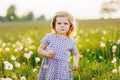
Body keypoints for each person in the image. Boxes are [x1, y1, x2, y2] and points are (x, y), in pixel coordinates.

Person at [38, 11, 80, 80]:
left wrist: (75, 63)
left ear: (70, 26)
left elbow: (76, 54)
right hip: (50, 66)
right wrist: (47, 53)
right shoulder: (49, 37)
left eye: (65, 23)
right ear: (54, 25)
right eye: (59, 23)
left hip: (63, 68)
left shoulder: (71, 41)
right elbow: (40, 49)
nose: (62, 25)